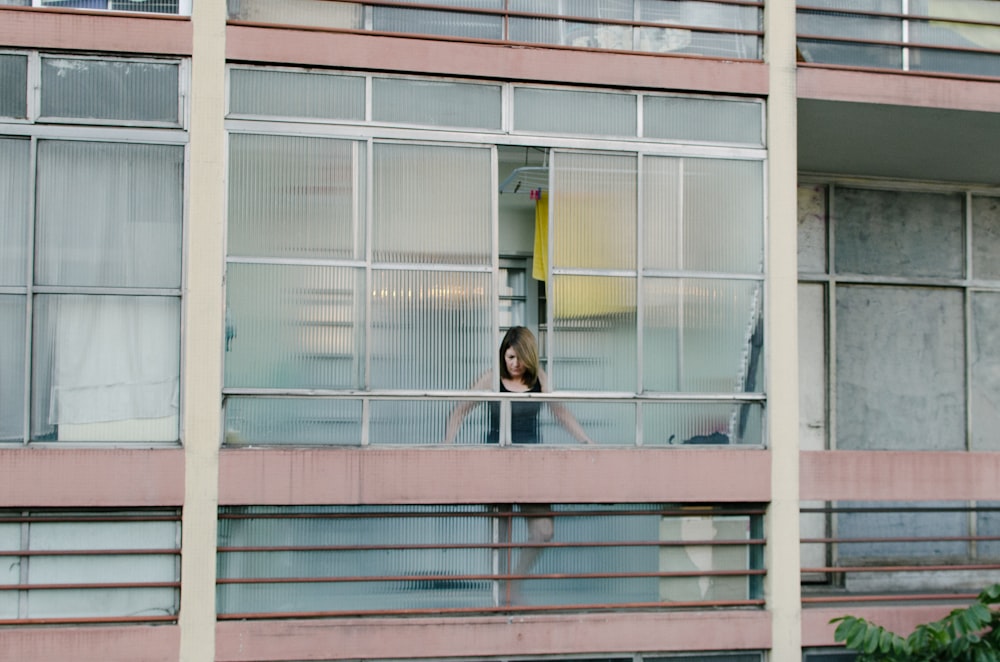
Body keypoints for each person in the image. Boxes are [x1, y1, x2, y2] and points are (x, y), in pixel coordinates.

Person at [443, 326, 594, 603]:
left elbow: (560, 411)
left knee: (543, 531)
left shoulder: (539, 379)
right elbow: (459, 409)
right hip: (496, 462)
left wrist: (586, 441)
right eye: (509, 357)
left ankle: (515, 582)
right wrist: (447, 446)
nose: (514, 364)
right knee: (501, 536)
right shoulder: (492, 379)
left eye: (519, 357)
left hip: (530, 463)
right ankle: (502, 595)